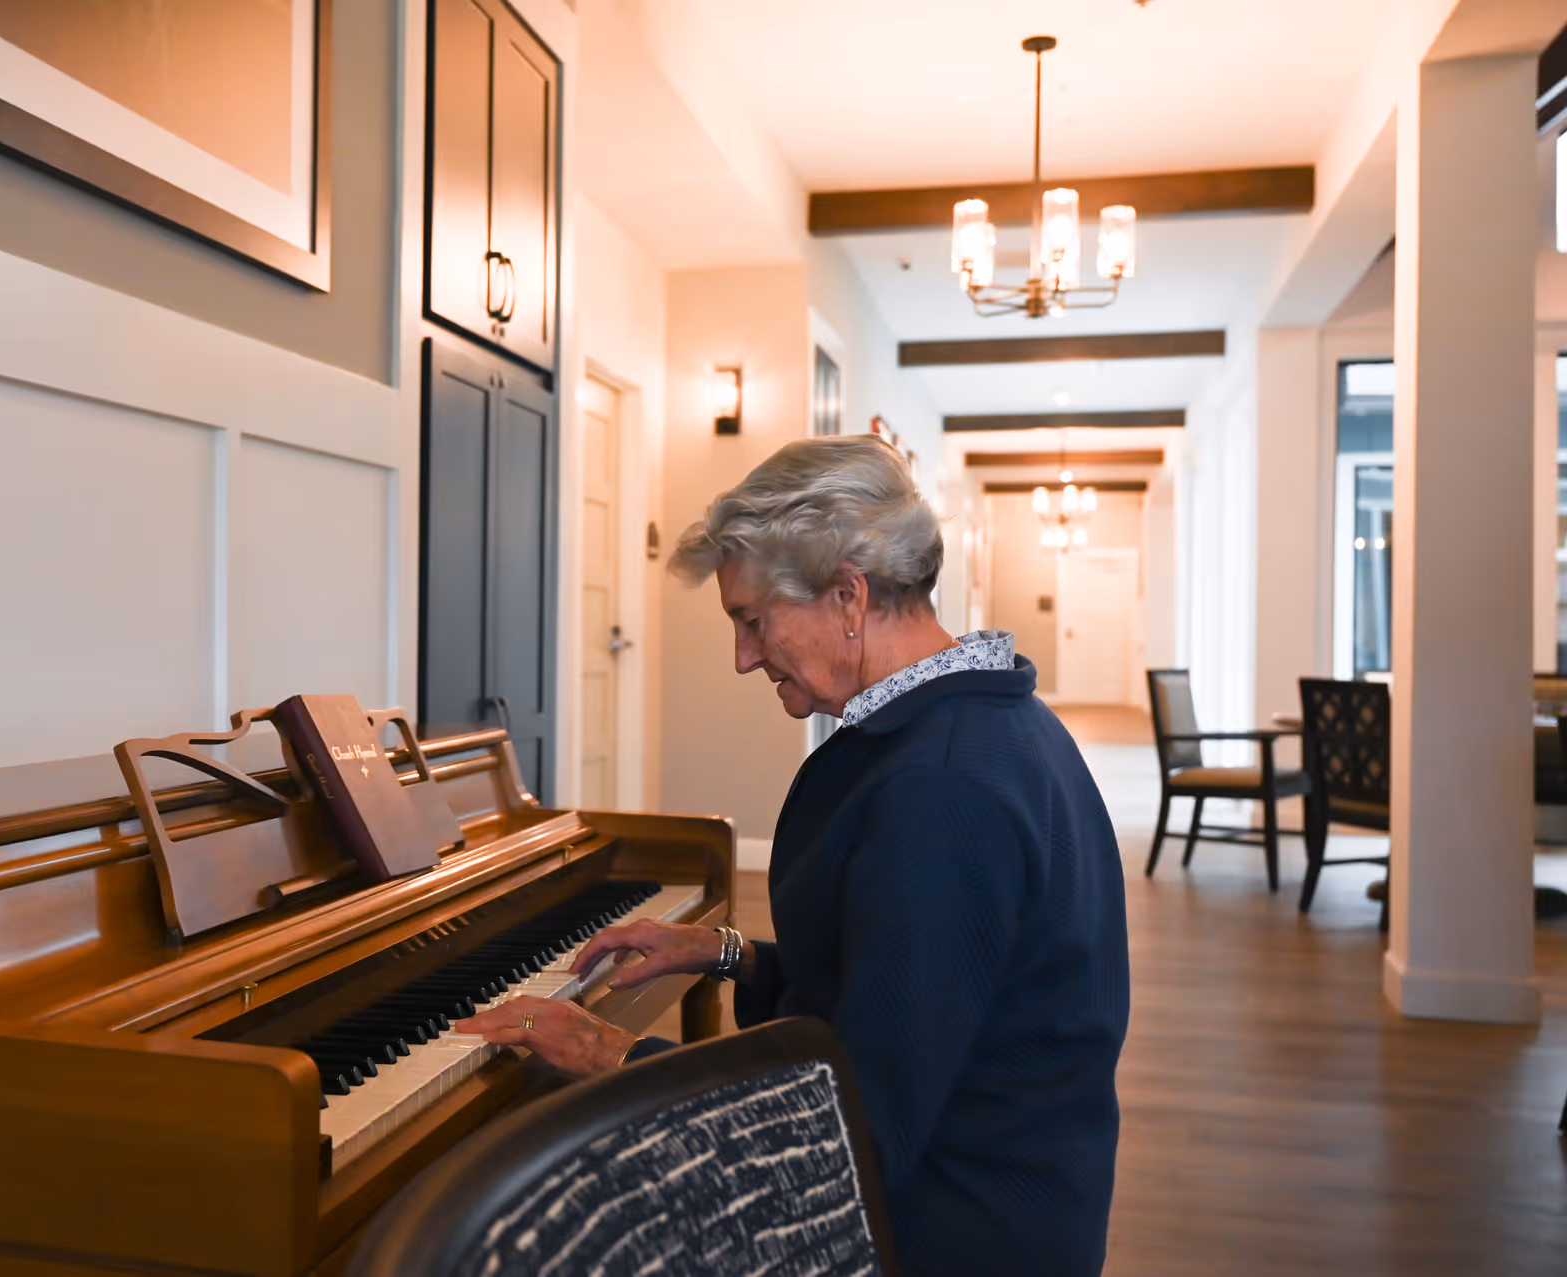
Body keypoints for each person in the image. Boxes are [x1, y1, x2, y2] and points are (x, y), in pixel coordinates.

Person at [458, 435, 1129, 1276]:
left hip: (945, 1230)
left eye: (752, 620)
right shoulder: (990, 723)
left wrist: (614, 1058)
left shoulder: (941, 791)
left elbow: (851, 1140)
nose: (743, 657)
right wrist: (728, 953)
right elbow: (912, 995)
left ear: (849, 595)